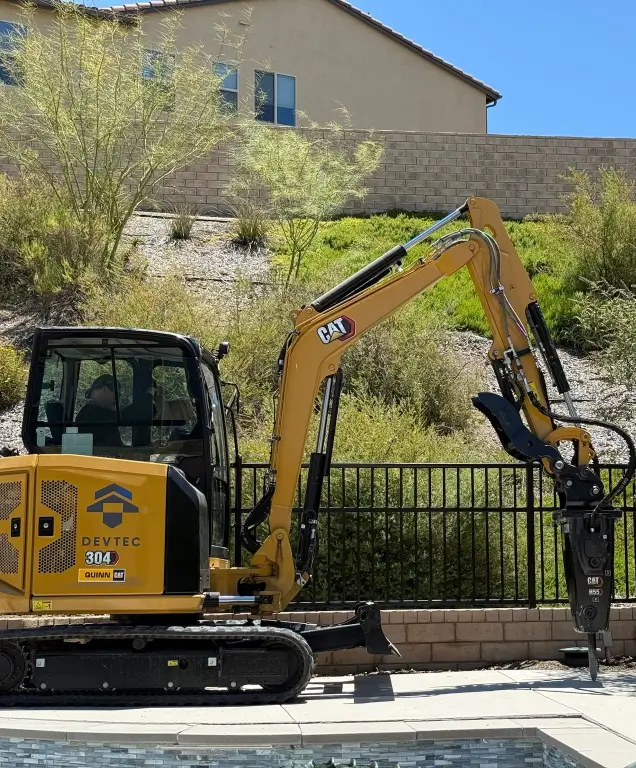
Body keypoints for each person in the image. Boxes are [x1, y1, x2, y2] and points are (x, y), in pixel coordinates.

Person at [75, 374, 124, 447]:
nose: (118, 399)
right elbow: (117, 448)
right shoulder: (104, 417)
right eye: (117, 394)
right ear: (105, 389)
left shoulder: (84, 413)